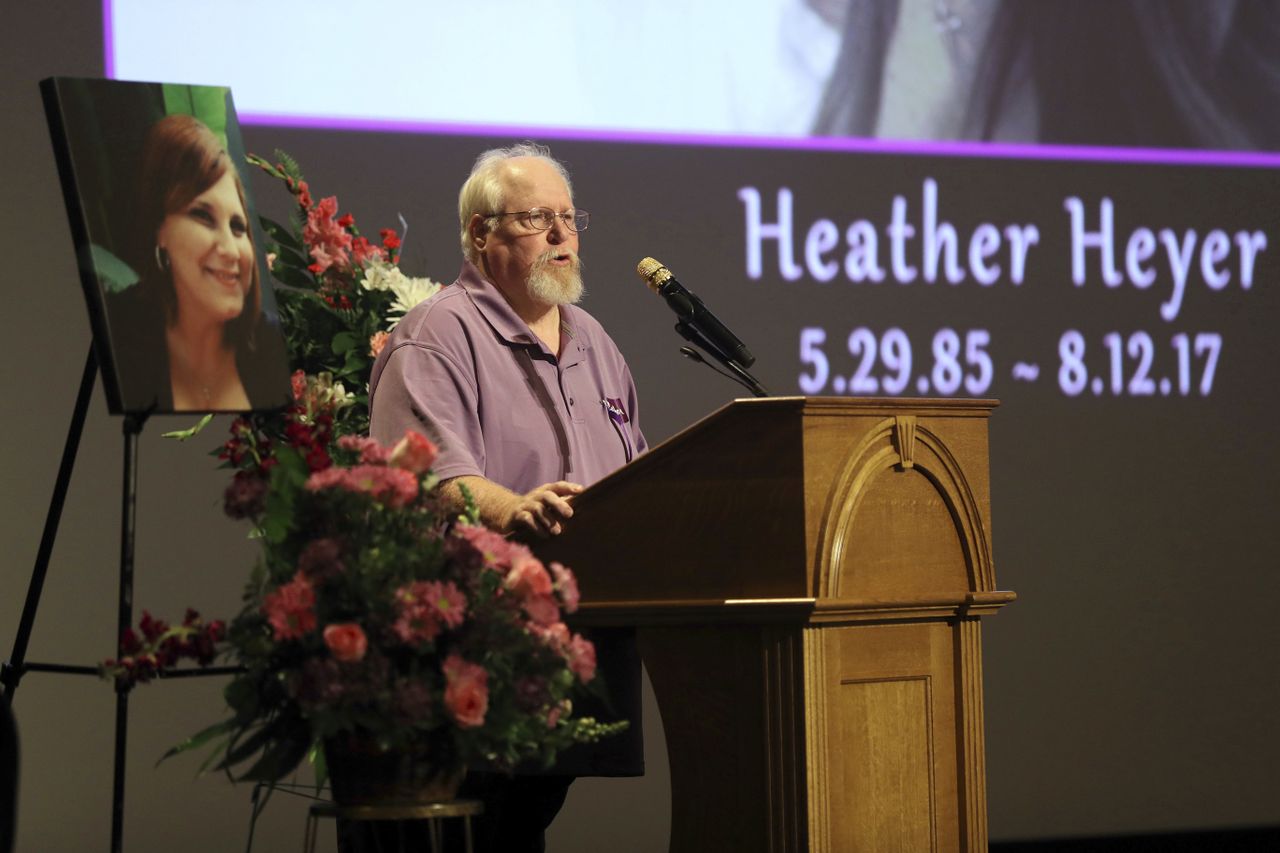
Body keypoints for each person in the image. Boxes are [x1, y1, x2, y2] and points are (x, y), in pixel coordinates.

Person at [367, 143, 646, 851]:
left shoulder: (597, 342)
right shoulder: (436, 337)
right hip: (481, 637)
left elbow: (637, 468)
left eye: (567, 217)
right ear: (480, 235)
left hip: (589, 628)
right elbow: (423, 475)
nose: (560, 235)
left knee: (519, 824)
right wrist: (512, 510)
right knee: (489, 823)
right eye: (535, 218)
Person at [112, 113, 287, 412]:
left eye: (237, 226)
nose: (231, 250)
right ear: (159, 229)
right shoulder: (121, 338)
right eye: (203, 216)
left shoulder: (270, 344)